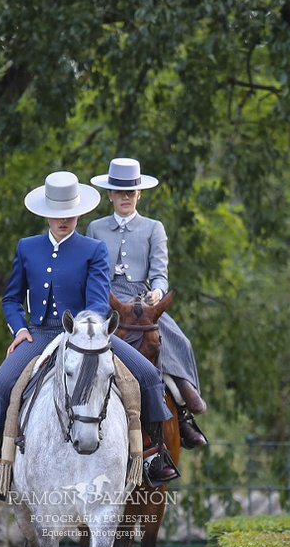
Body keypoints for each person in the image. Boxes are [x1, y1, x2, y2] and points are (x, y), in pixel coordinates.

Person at [0, 170, 180, 500]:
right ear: (46, 215)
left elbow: (99, 301)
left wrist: (87, 331)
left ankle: (154, 457)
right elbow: (11, 298)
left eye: (69, 214)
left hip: (87, 335)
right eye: (57, 215)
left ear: (79, 213)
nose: (64, 220)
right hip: (40, 335)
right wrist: (20, 328)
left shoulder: (93, 249)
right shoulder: (27, 248)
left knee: (146, 374)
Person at [87, 157, 209, 449]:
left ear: (139, 194)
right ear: (110, 195)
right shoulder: (95, 227)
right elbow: (91, 271)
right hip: (106, 298)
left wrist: (157, 291)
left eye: (131, 192)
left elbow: (159, 274)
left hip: (142, 299)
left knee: (178, 340)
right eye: (120, 192)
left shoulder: (154, 228)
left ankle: (181, 412)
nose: (126, 197)